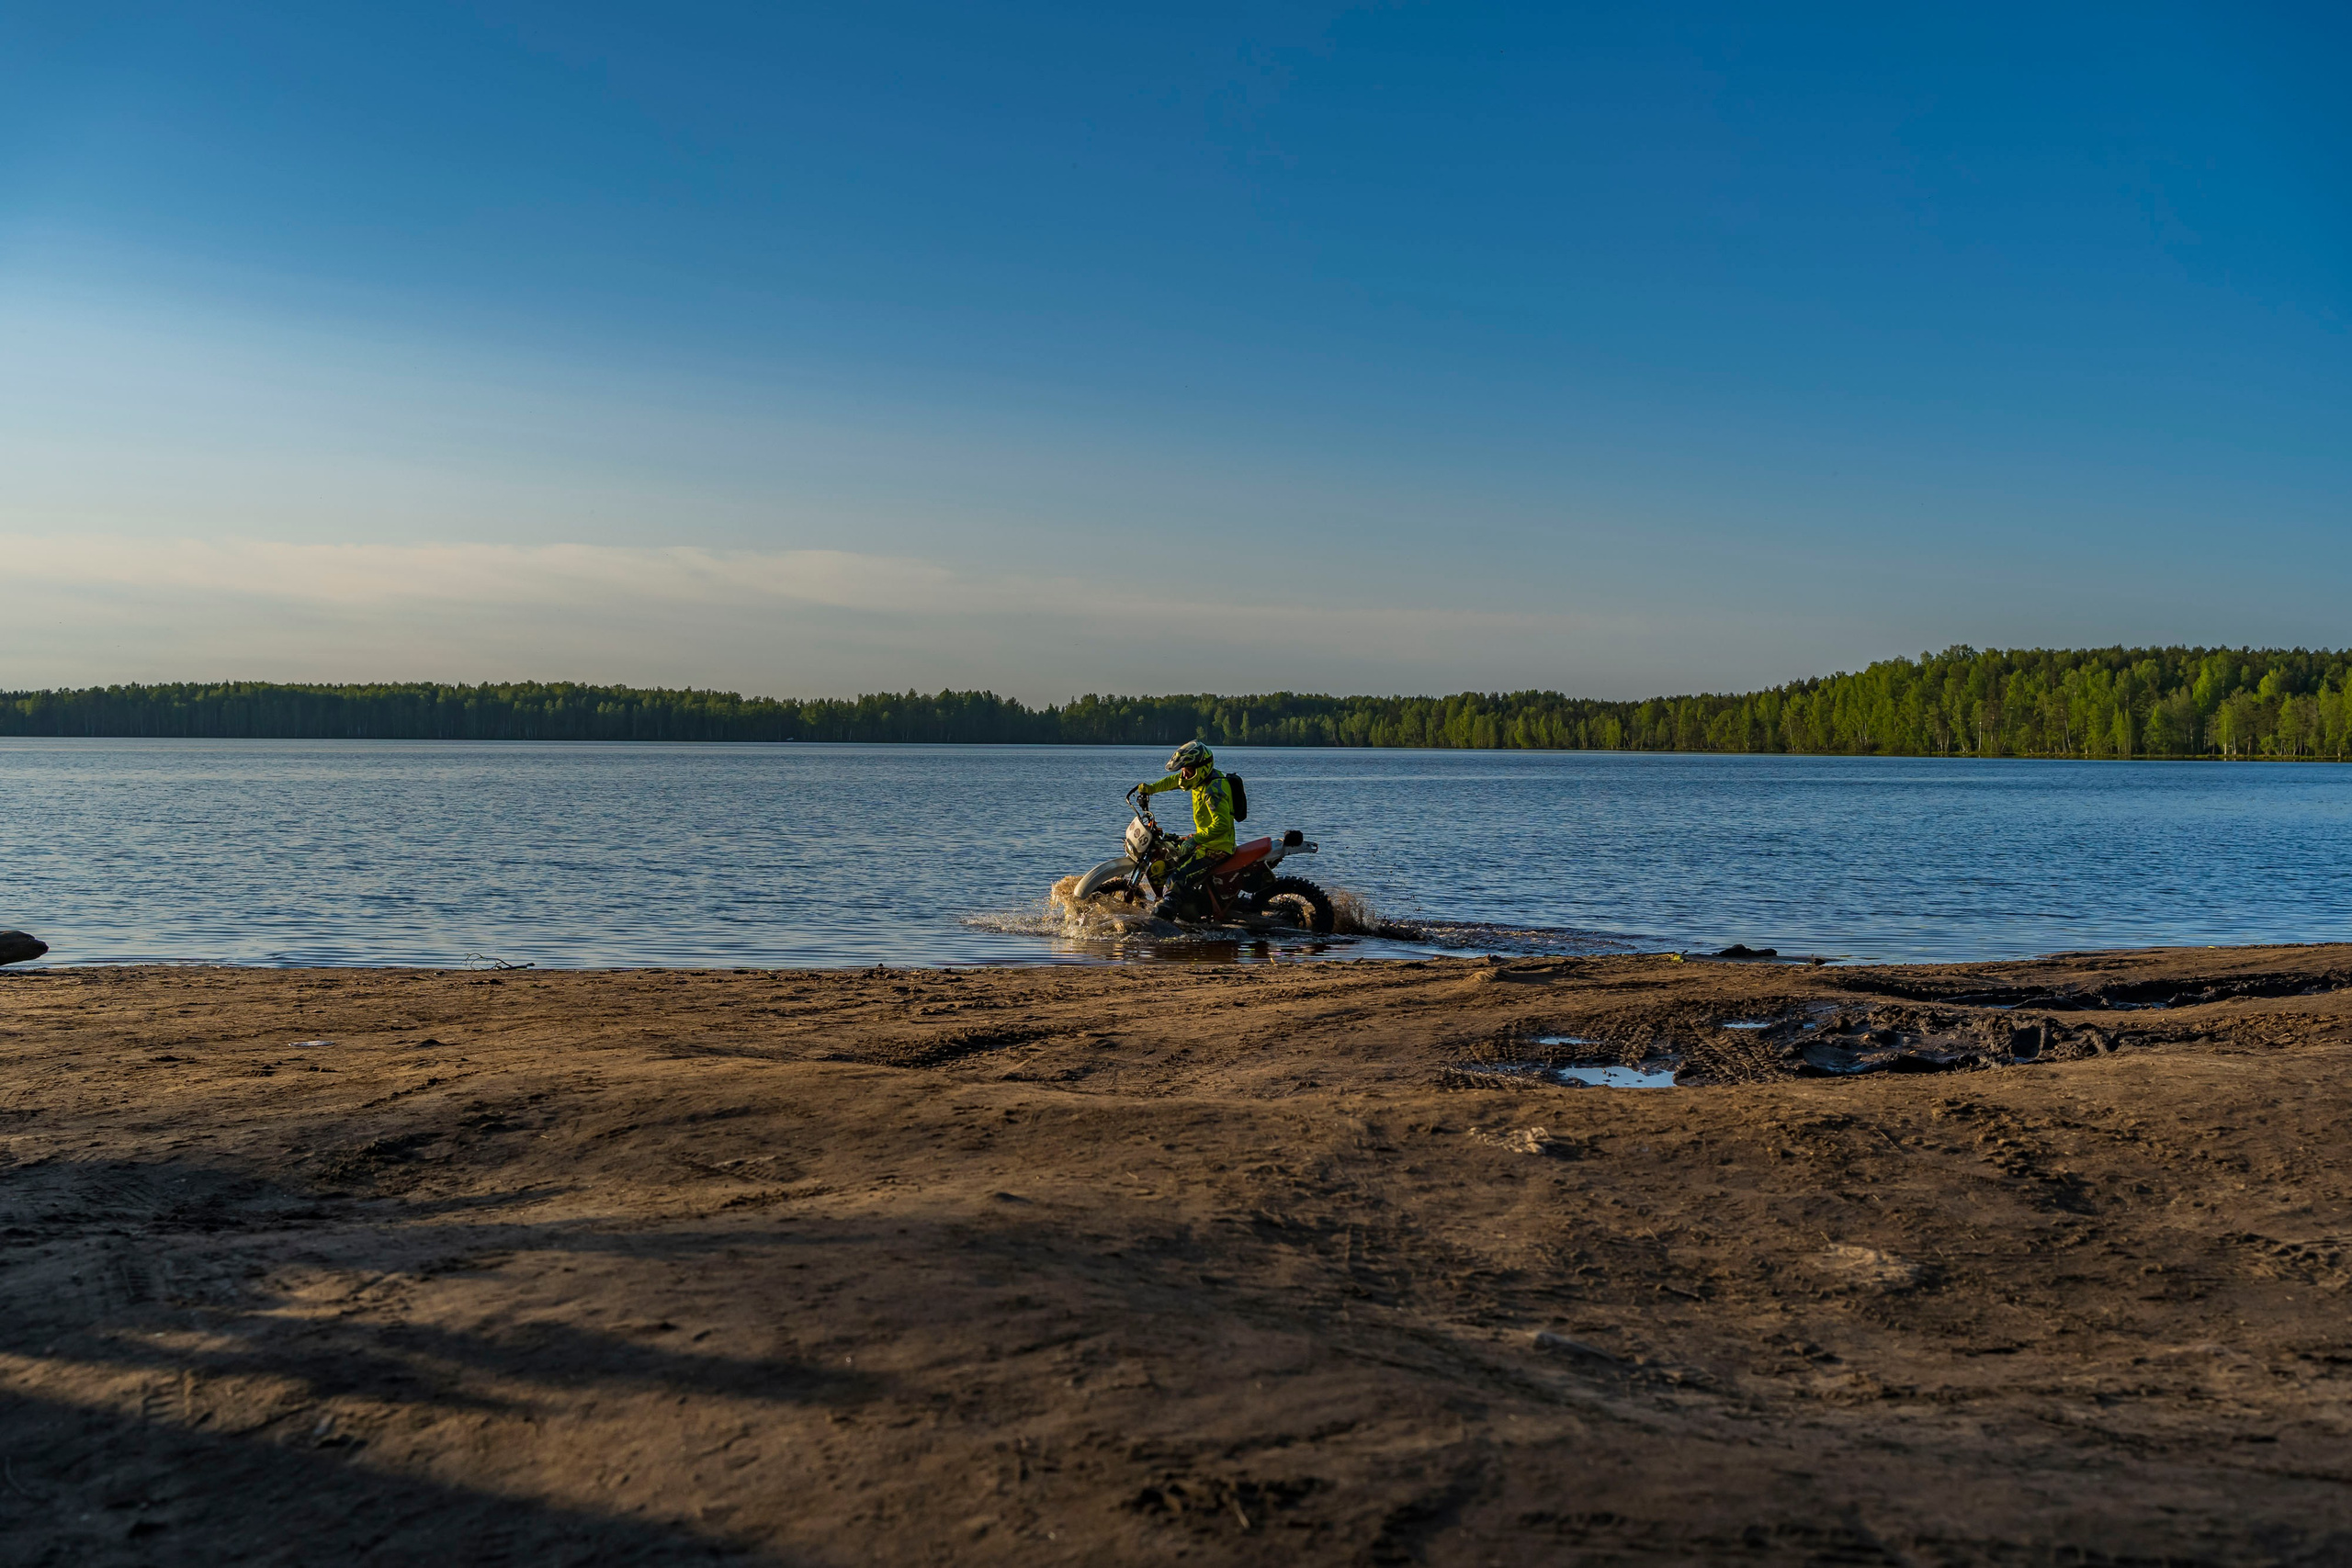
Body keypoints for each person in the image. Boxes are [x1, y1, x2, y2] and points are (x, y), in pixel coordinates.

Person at [1134, 739, 1238, 920]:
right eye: (1183, 770)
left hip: (1217, 848)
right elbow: (1175, 781)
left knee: (1177, 878)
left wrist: (1195, 840)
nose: (1184, 774)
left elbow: (1222, 825)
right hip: (1206, 841)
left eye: (1188, 770)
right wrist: (1151, 789)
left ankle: (1164, 922)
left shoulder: (1213, 790)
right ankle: (1190, 905)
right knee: (1172, 851)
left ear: (1201, 768)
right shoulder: (1200, 781)